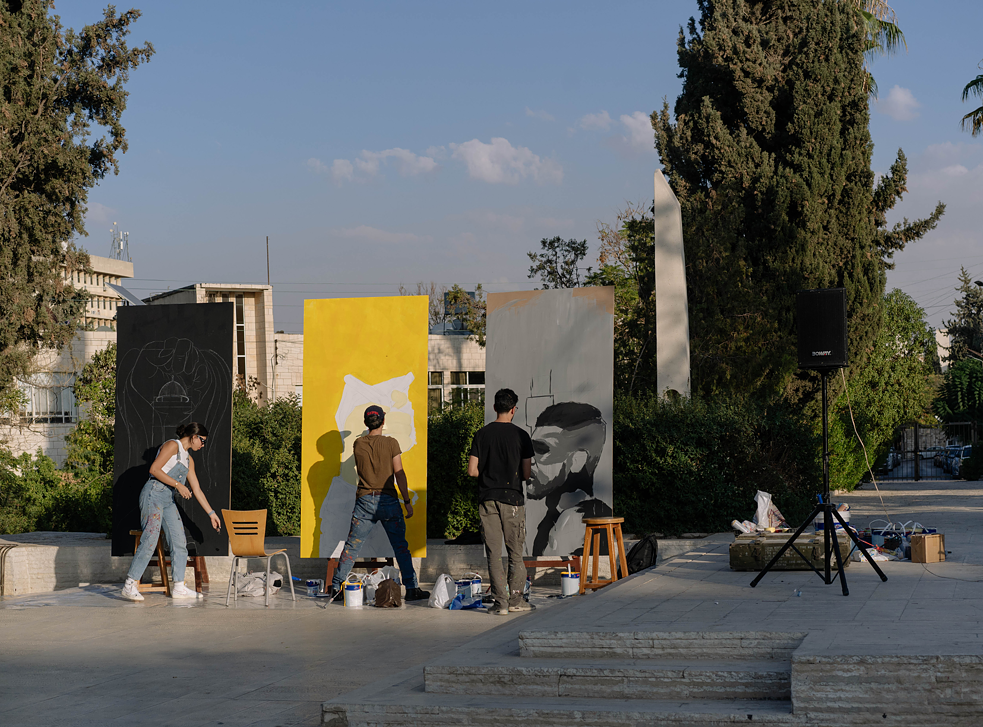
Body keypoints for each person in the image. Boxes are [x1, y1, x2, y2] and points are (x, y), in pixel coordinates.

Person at [330, 405, 429, 602]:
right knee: (400, 547)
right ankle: (411, 588)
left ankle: (336, 588)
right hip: (388, 501)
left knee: (351, 547)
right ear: (383, 421)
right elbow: (399, 473)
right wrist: (407, 501)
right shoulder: (392, 443)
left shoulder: (358, 444)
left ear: (366, 423)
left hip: (364, 502)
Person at [121, 422, 222, 601]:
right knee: (151, 537)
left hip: (167, 499)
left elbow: (197, 490)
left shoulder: (189, 460)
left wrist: (211, 514)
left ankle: (179, 587)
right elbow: (154, 469)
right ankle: (130, 584)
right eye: (203, 441)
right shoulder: (172, 445)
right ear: (194, 436)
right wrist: (178, 485)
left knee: (179, 541)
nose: (203, 445)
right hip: (153, 493)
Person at [468, 388, 535, 615]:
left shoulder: (481, 434)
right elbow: (526, 474)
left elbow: (472, 471)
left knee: (493, 553)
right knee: (515, 551)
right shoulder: (522, 436)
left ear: (495, 407)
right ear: (514, 409)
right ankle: (517, 601)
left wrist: (487, 475)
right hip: (513, 500)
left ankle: (500, 604)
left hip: (488, 498)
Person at [526, 402, 613, 556]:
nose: (530, 460)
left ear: (577, 460)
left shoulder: (581, 523)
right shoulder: (551, 518)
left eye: (541, 449)